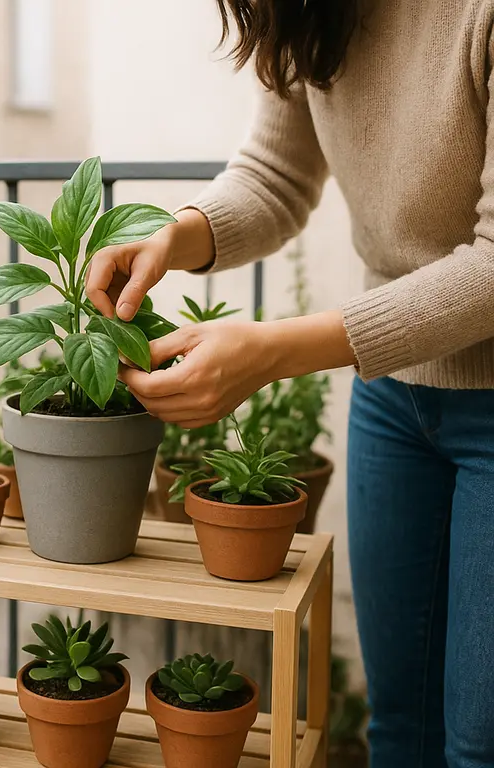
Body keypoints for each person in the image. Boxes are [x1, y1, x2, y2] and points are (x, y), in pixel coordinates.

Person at [85, 1, 494, 766]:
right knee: (399, 725)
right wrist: (177, 234)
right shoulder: (309, 8)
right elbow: (275, 175)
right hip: (392, 400)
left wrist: (270, 352)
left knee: (480, 743)